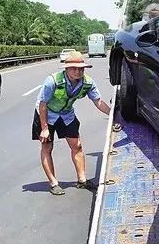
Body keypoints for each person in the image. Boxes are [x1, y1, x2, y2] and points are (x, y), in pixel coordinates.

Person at [32, 51, 111, 195]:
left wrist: (113, 115)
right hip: (46, 115)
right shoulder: (53, 81)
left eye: (81, 68)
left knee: (77, 145)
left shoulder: (87, 83)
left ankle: (82, 180)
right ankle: (54, 183)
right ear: (66, 69)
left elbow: (98, 101)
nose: (78, 71)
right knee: (47, 146)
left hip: (67, 115)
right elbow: (42, 104)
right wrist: (44, 128)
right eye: (74, 68)